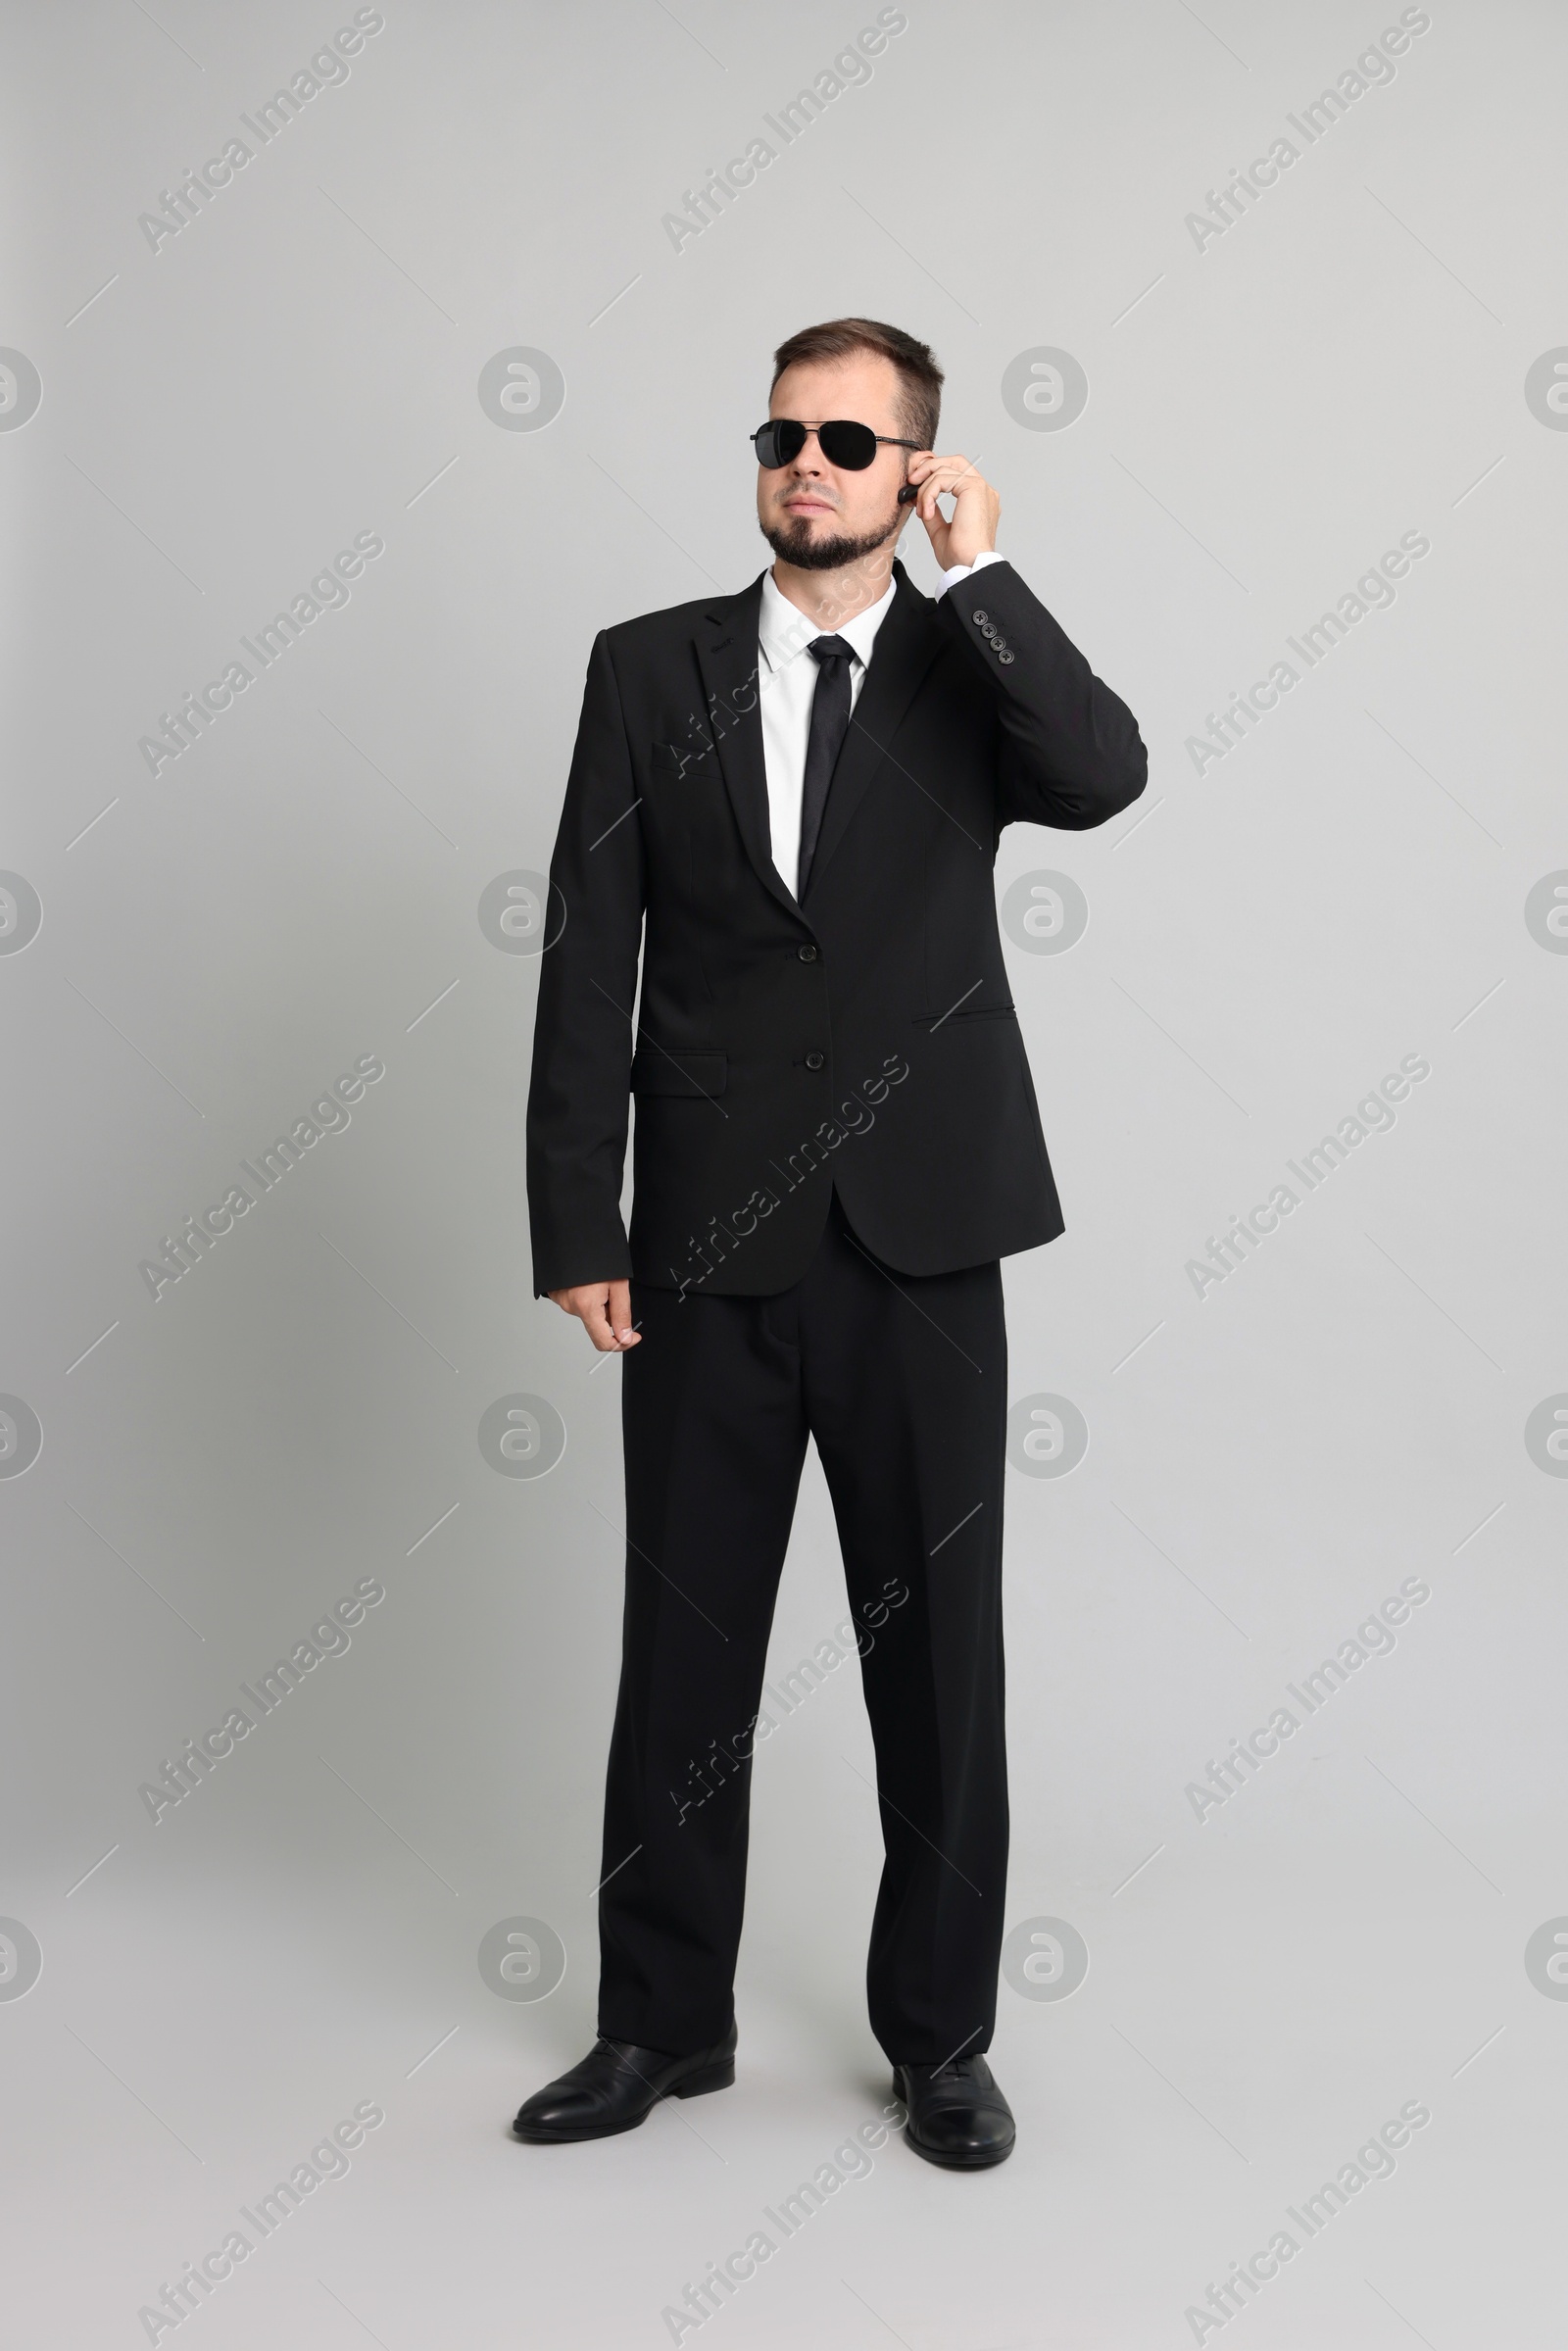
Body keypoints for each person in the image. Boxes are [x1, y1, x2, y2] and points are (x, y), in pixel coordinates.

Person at [516, 318, 1146, 2166]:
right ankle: (656, 2028)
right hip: (707, 1237)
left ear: (914, 472)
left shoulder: (971, 663)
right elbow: (585, 954)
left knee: (940, 1656)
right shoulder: (648, 669)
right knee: (683, 1652)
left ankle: (943, 2040)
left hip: (928, 1240)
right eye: (786, 433)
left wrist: (992, 568)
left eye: (854, 444)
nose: (810, 463)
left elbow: (1102, 776)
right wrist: (581, 1218)